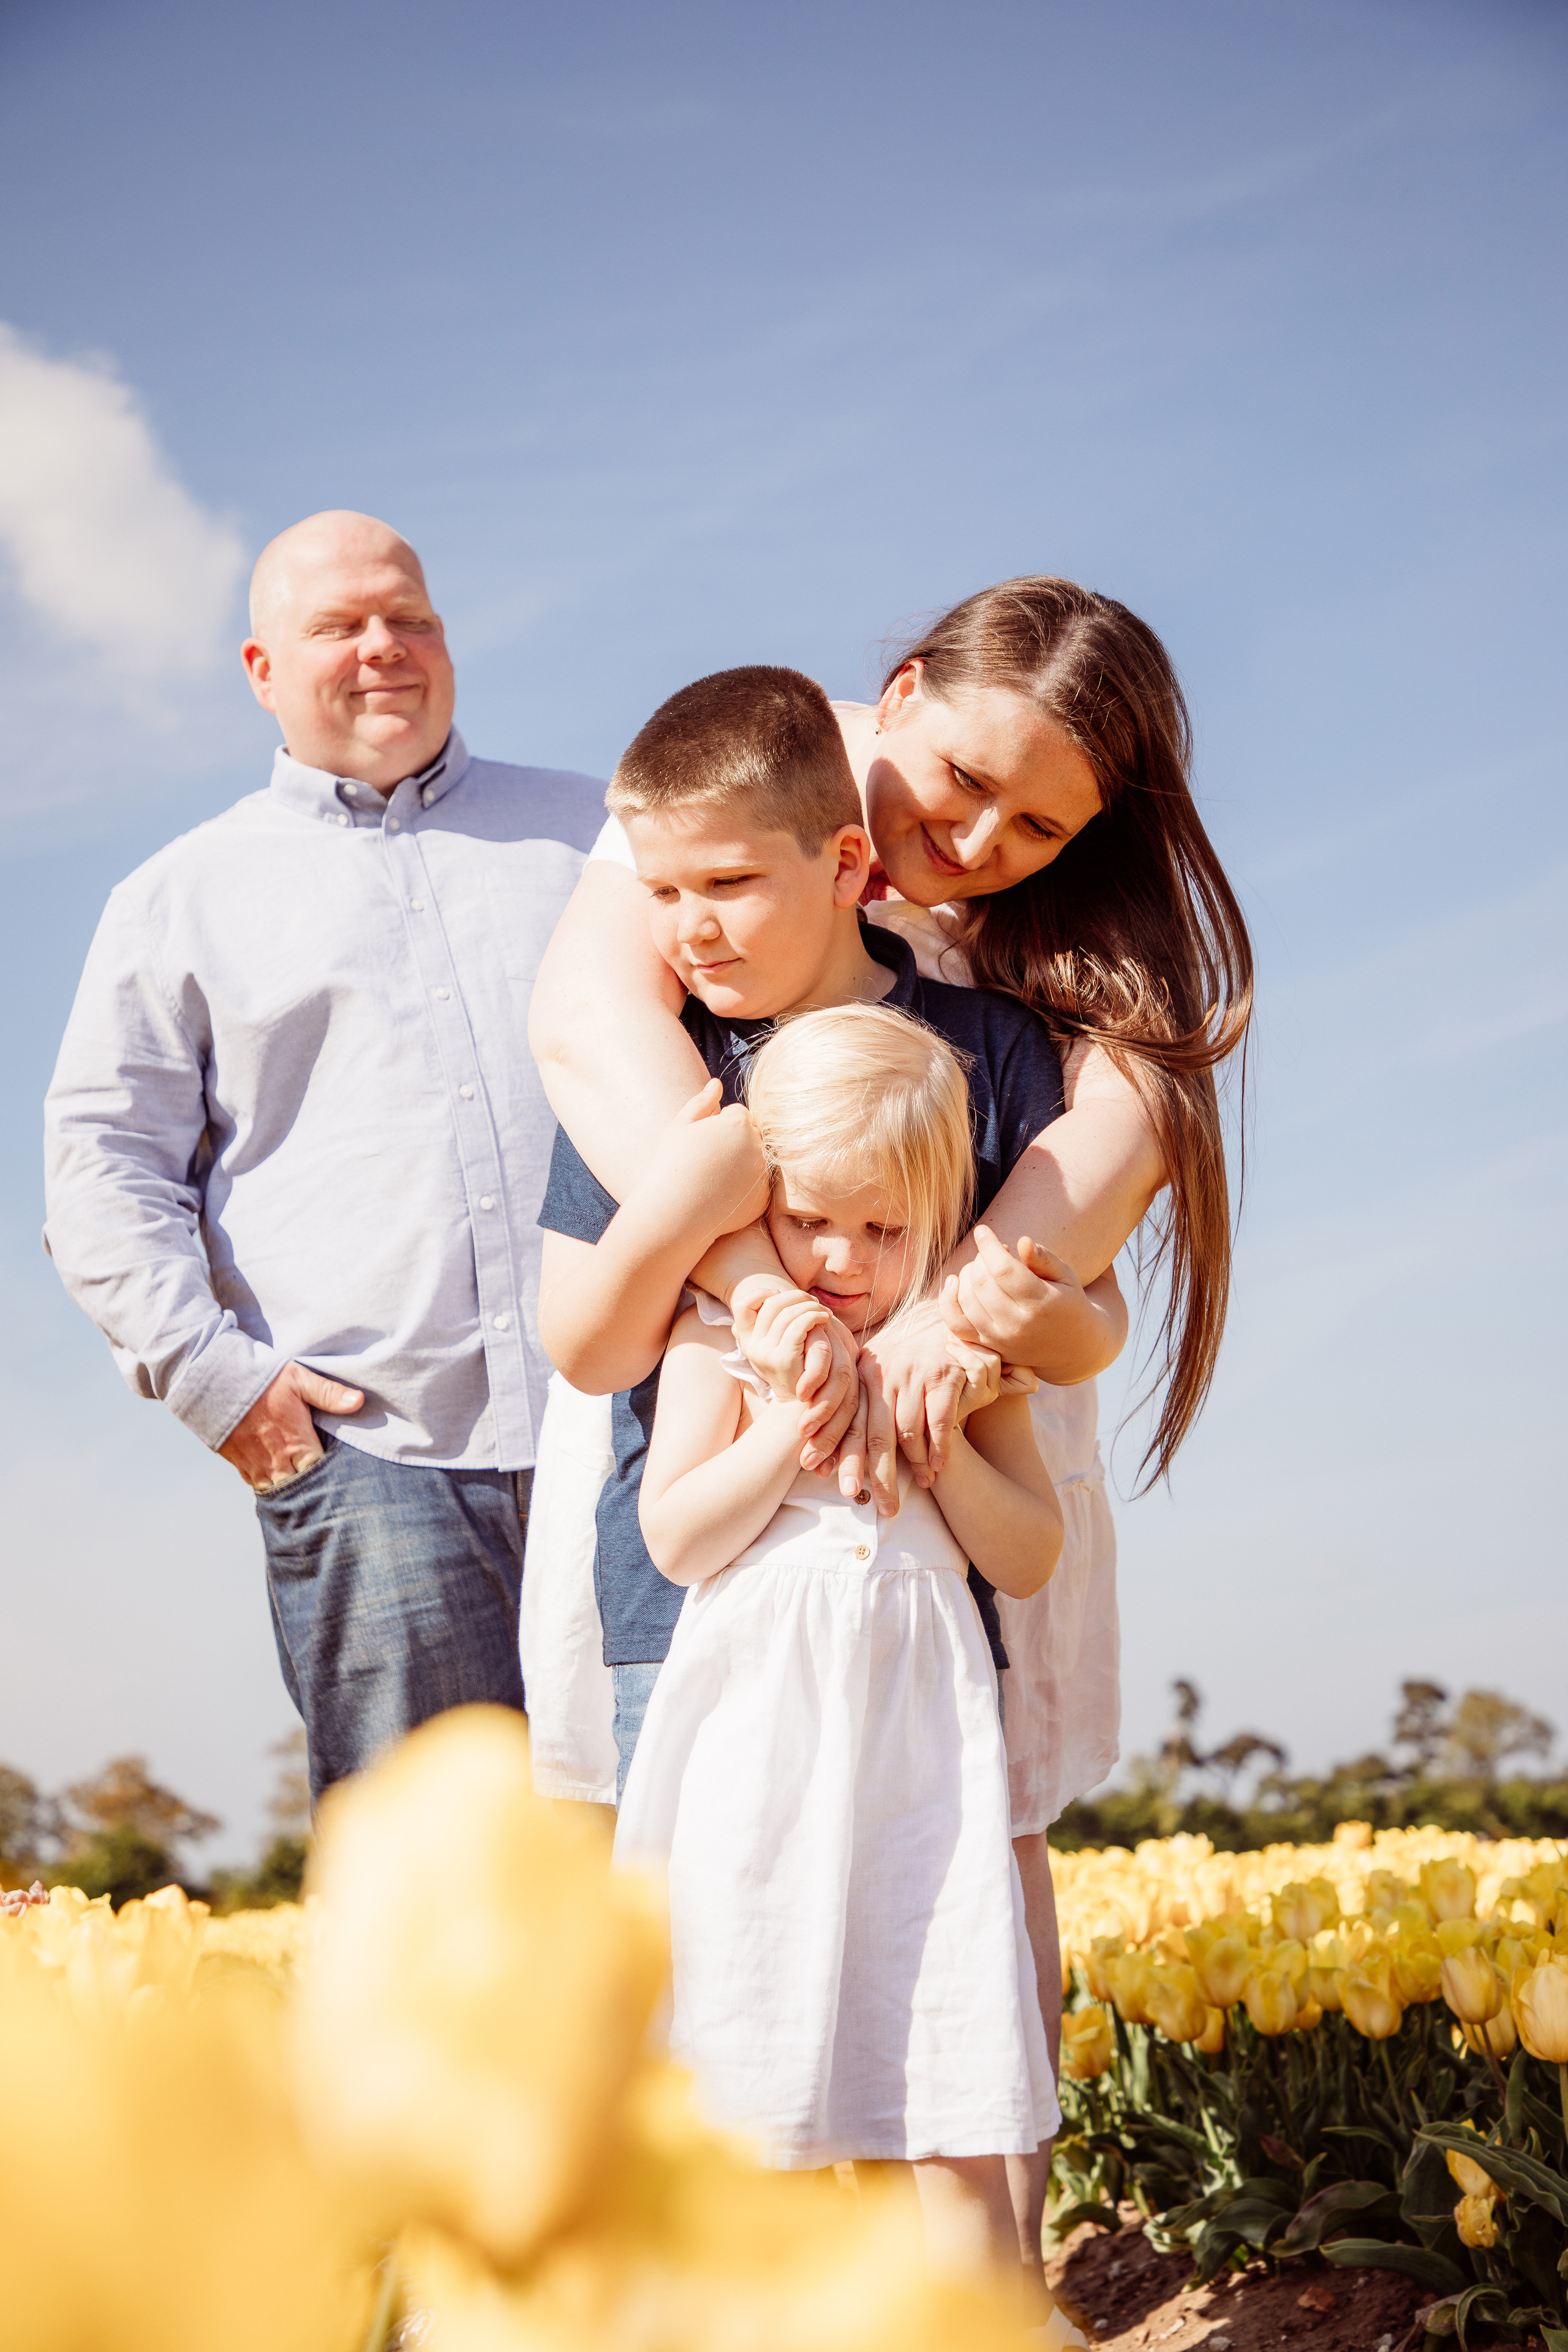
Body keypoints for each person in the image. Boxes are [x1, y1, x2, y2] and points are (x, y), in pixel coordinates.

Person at [527, 578, 1254, 2255]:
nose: (984, 836)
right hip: (723, 1436)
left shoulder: (1008, 1023)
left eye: (1041, 823)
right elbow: (589, 1028)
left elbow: (1112, 1183)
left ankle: (978, 2289)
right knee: (721, 1901)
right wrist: (756, 1291)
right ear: (899, 693)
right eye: (963, 781)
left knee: (960, 1876)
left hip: (949, 1470)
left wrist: (973, 1320)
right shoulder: (748, 814)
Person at [43, 510, 605, 1800]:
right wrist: (215, 1381)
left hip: (634, 1440)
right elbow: (101, 1167)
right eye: (338, 625)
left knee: (675, 1885)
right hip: (372, 1465)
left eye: (408, 617)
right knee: (426, 1911)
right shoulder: (177, 898)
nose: (382, 649)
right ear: (261, 671)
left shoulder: (600, 838)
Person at [530, 664, 1123, 1815]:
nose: (689, 928)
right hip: (684, 1616)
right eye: (658, 892)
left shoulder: (985, 1051)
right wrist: (683, 1201)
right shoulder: (668, 1076)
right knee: (694, 1946)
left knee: (933, 1931)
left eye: (731, 882)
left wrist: (1016, 1330)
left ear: (846, 865)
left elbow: (1074, 1306)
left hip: (923, 1610)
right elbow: (588, 1350)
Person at [615, 1003, 1063, 2271]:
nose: (837, 1259)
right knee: (750, 2042)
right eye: (807, 1219)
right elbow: (677, 1538)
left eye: (882, 1231)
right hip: (758, 1743)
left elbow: (1027, 1553)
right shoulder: (726, 1345)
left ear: (940, 1223)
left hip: (918, 1754)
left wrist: (941, 1455)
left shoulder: (955, 1364)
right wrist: (779, 1437)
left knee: (944, 2045)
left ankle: (987, 2302)